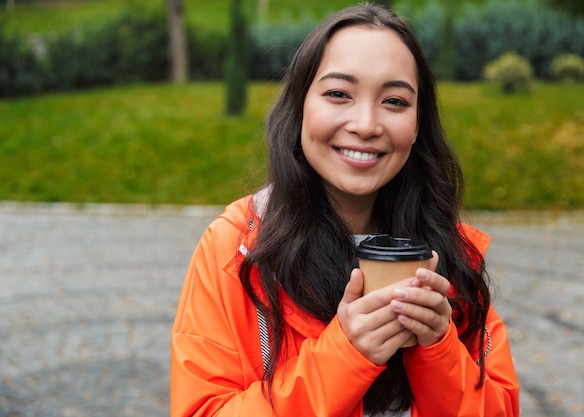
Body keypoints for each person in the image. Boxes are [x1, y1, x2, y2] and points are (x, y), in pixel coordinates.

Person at [170, 3, 519, 416]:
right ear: (299, 105)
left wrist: (439, 347)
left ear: (418, 122)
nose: (367, 124)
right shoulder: (235, 249)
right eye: (338, 94)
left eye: (394, 101)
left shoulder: (450, 255)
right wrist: (344, 355)